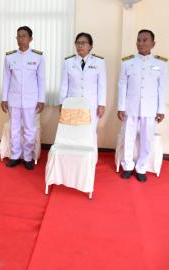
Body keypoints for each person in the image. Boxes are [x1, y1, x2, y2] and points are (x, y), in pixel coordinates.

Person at [117, 29, 167, 182]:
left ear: (153, 43)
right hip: (131, 106)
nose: (141, 43)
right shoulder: (127, 62)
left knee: (147, 139)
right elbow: (122, 85)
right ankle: (127, 166)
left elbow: (162, 87)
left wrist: (161, 110)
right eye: (139, 40)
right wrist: (121, 107)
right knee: (128, 137)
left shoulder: (161, 63)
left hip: (150, 107)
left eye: (145, 40)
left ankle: (141, 168)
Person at [1, 26, 45, 170]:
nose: (21, 39)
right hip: (13, 99)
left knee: (29, 129)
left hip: (31, 100)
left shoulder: (38, 56)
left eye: (24, 36)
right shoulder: (9, 56)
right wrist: (4, 98)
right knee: (14, 128)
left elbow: (41, 80)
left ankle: (27, 157)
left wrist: (41, 99)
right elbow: (6, 79)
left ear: (30, 39)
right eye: (18, 36)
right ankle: (14, 156)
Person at [60, 32, 106, 137]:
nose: (80, 45)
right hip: (72, 103)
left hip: (91, 104)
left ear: (90, 46)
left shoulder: (99, 62)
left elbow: (102, 85)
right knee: (73, 133)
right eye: (78, 43)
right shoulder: (68, 62)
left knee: (90, 133)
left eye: (83, 43)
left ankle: (92, 154)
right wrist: (62, 103)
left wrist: (101, 105)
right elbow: (64, 85)